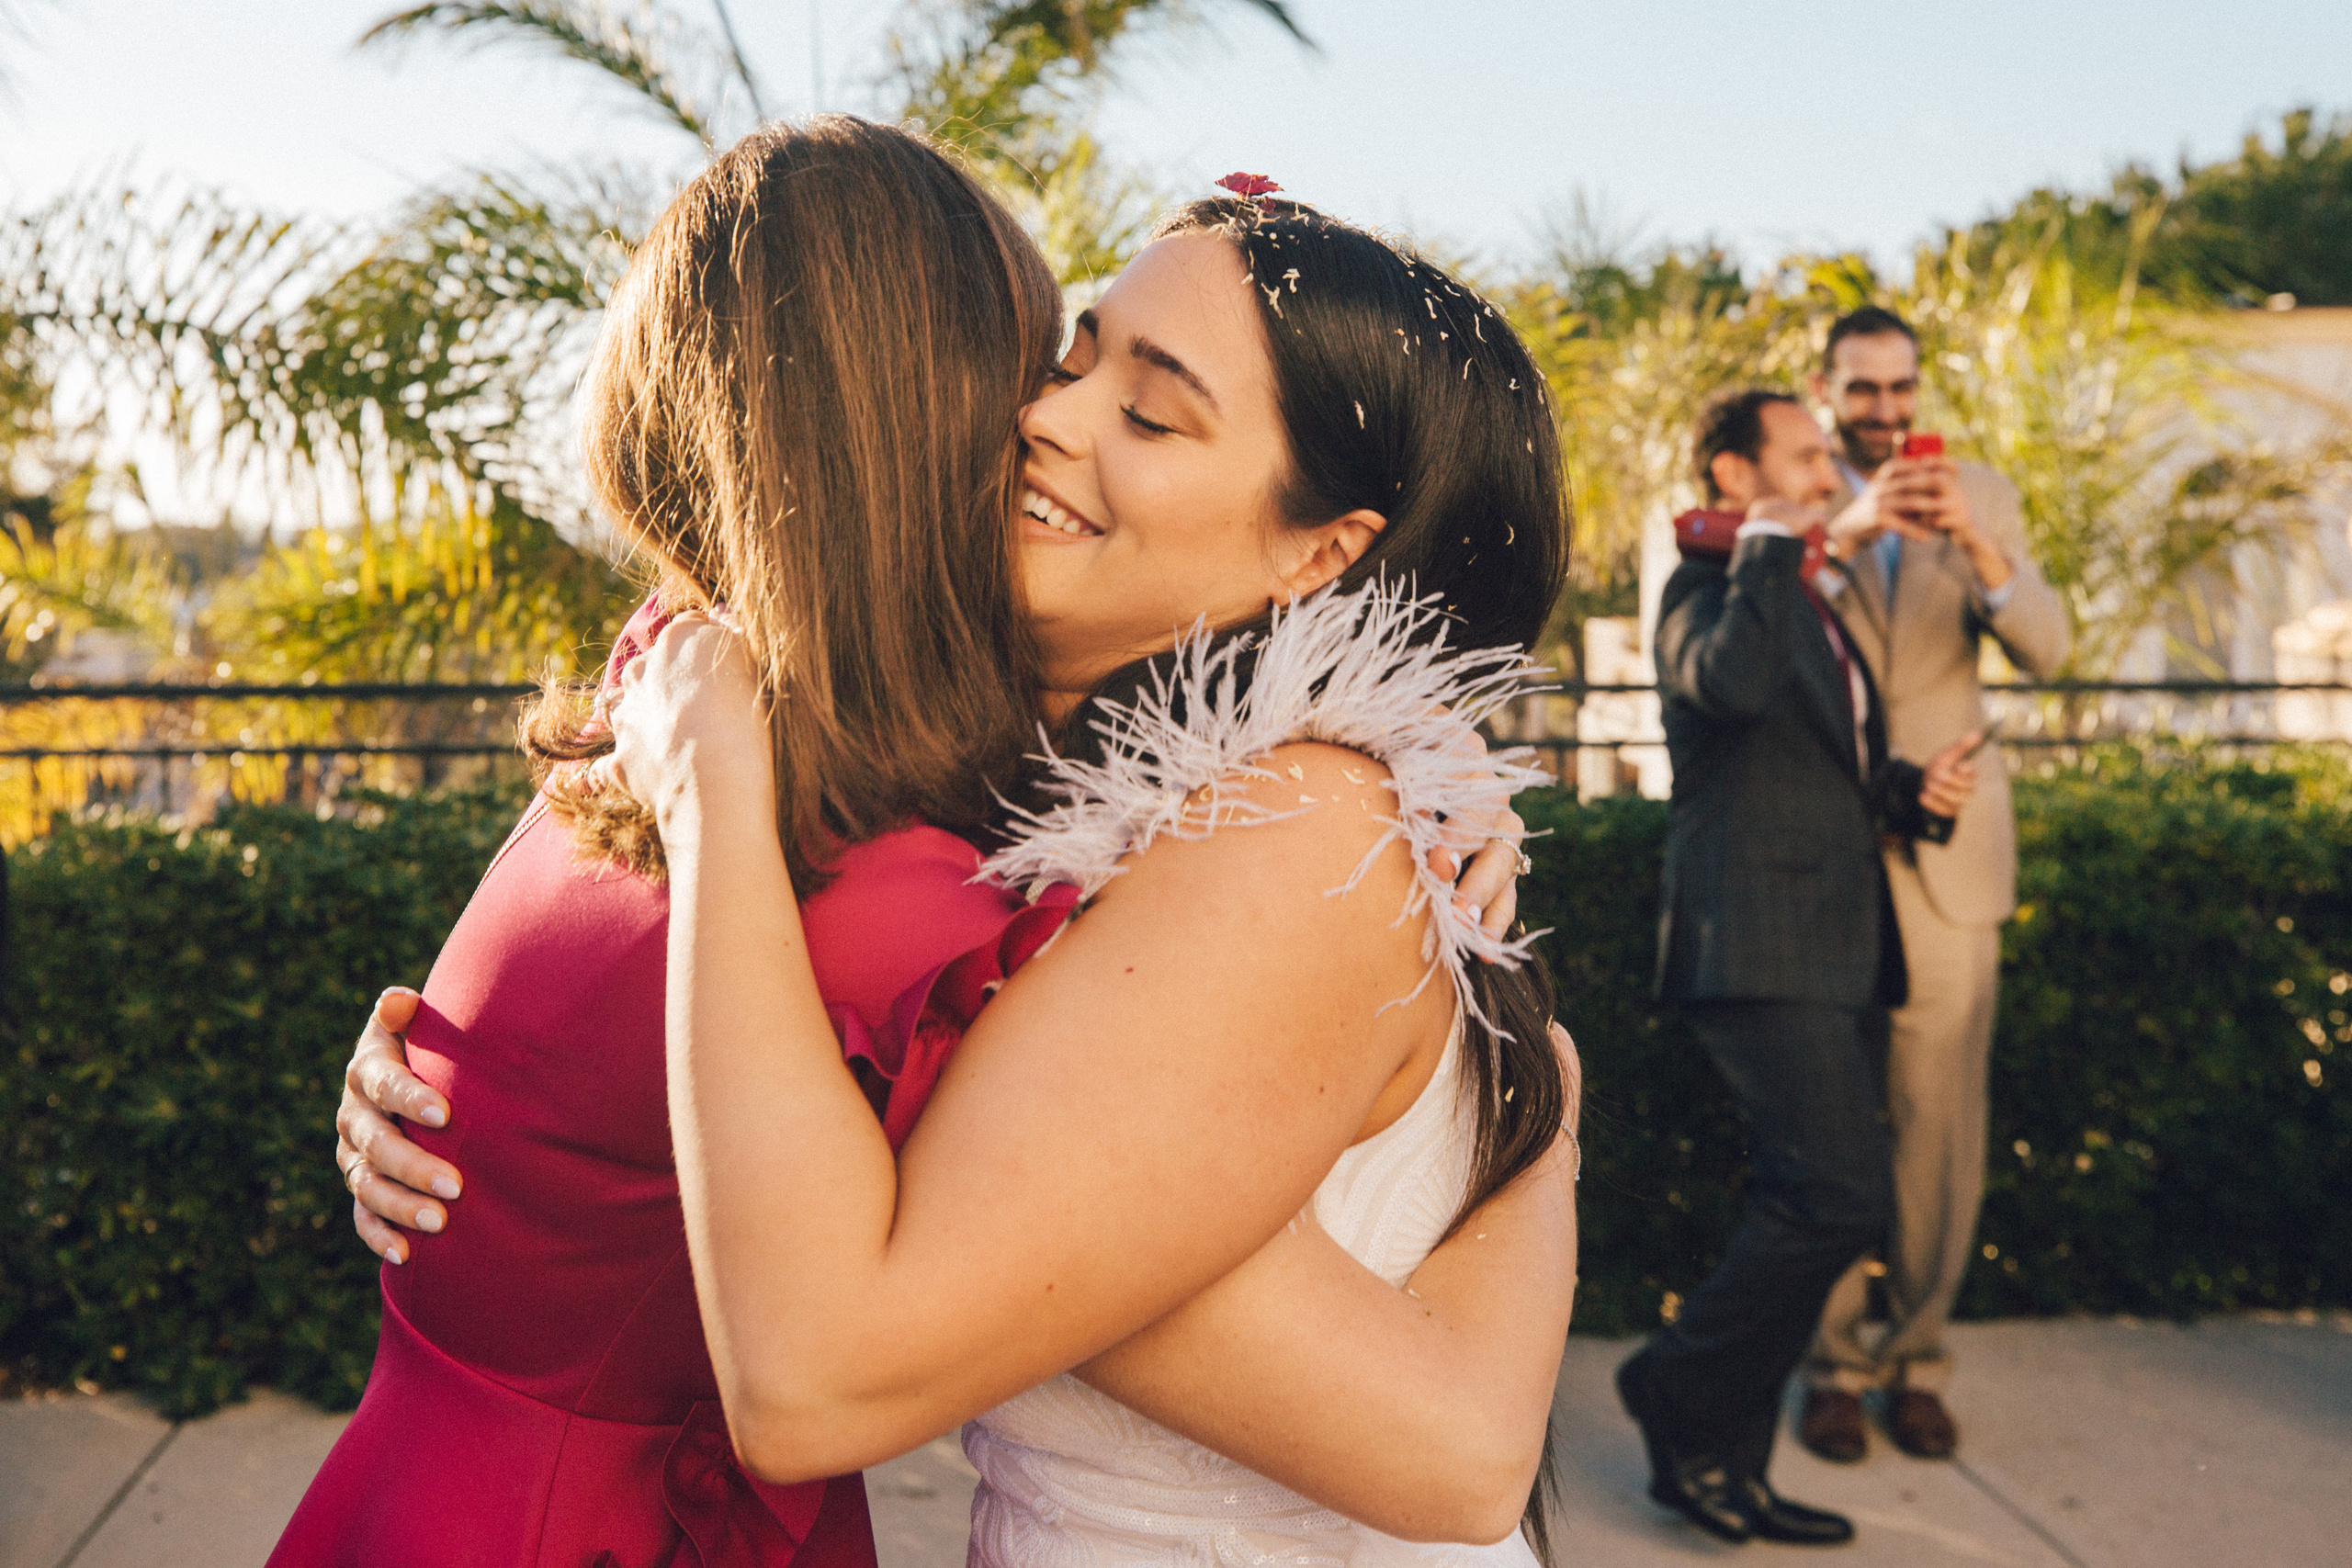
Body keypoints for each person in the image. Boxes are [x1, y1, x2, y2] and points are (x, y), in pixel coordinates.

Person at [318, 150, 1582, 1566]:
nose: (1042, 416)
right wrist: (475, 1097)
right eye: (1069, 358)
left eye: (1152, 413)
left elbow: (1469, 1453)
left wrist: (1541, 1080)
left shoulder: (1293, 833)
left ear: (1321, 553)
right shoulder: (1029, 793)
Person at [1614, 387, 1979, 1547]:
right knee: (1835, 1197)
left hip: (1836, 941)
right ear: (1733, 474)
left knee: (1812, 1200)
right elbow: (1724, 688)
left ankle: (1723, 1466)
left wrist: (1912, 795)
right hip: (1754, 942)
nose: (1829, 472)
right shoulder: (1705, 583)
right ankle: (1674, 1385)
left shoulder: (1803, 595)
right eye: (1805, 455)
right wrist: (1776, 542)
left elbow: (1814, 766)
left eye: (1826, 458)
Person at [1797, 307, 2071, 1462]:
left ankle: (1914, 1359)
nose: (1887, 411)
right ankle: (1826, 1368)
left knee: (1935, 1129)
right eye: (1863, 390)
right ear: (1825, 389)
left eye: (1901, 389)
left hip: (1950, 856)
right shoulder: (1795, 494)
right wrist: (1847, 532)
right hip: (1821, 852)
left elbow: (2051, 649)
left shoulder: (1984, 495)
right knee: (1823, 1125)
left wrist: (1982, 549)